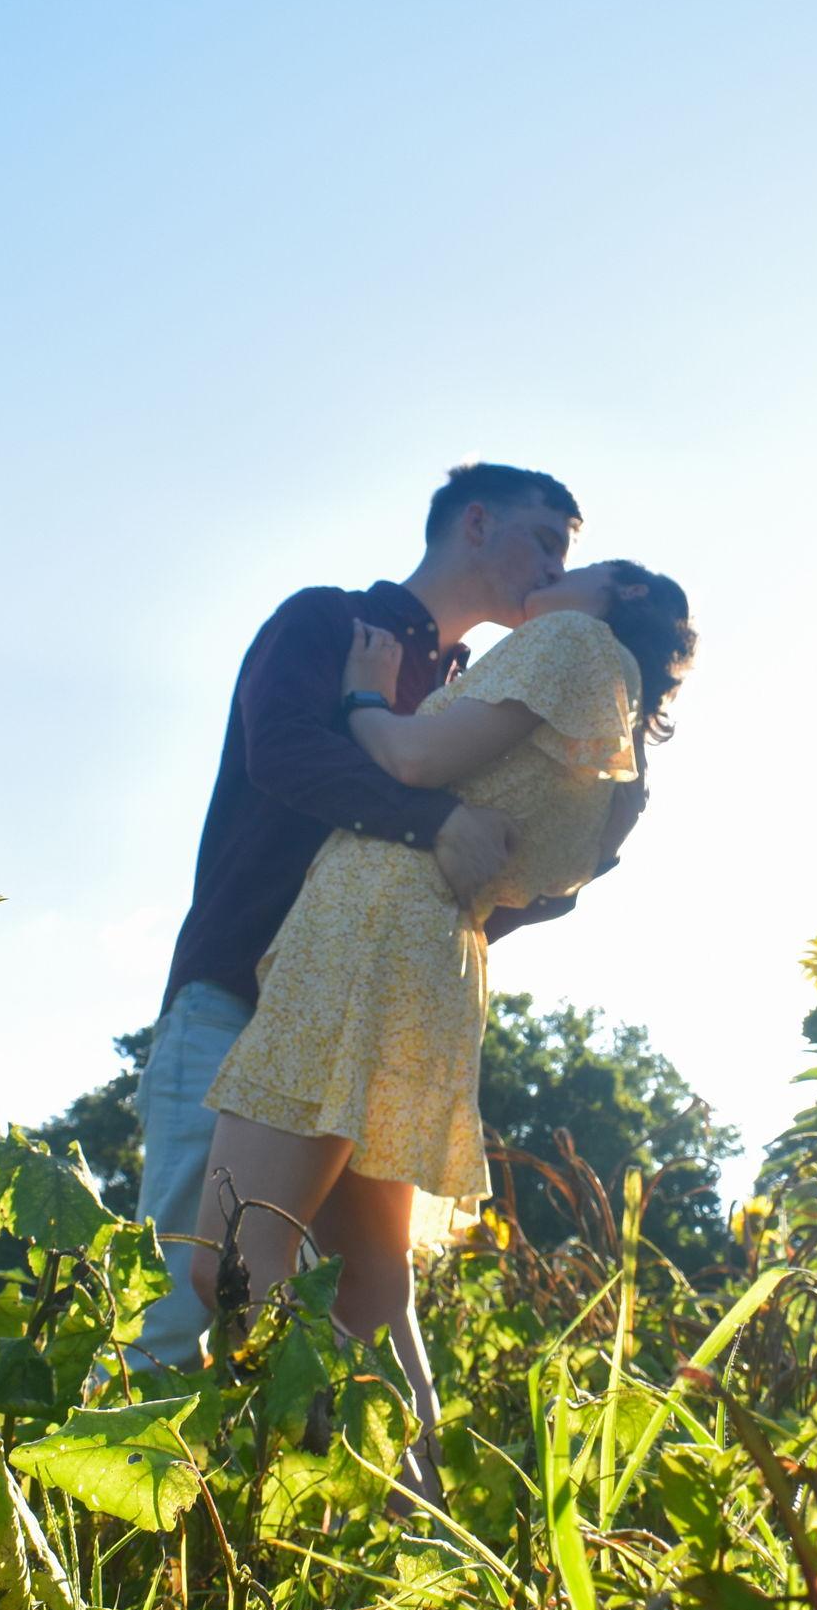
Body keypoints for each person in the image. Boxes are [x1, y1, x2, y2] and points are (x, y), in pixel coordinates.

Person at [190, 558, 695, 1498]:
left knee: (229, 1260)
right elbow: (549, 882)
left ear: (619, 594)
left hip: (365, 941)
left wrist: (360, 697)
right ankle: (419, 1535)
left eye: (576, 558)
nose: (552, 569)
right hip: (434, 967)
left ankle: (285, 1514)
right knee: (371, 1289)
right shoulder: (616, 737)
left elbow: (414, 762)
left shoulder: (572, 643)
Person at [131, 461, 634, 1372]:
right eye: (546, 544)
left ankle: (367, 1505)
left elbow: (458, 879)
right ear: (474, 524)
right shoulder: (327, 621)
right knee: (186, 1294)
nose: (554, 574)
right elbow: (279, 752)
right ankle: (115, 1512)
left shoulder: (479, 694)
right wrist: (435, 818)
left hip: (363, 1027)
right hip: (234, 990)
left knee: (358, 1314)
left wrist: (550, 875)